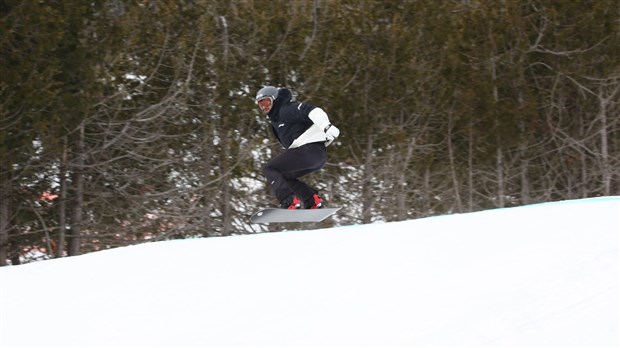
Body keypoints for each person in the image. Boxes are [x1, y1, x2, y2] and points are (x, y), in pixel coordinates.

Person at [255, 86, 340, 209]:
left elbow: (313, 111)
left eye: (266, 102)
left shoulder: (286, 110)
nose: (264, 107)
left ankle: (288, 202)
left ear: (274, 99)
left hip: (309, 151)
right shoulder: (277, 120)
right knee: (282, 176)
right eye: (260, 105)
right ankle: (312, 201)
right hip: (317, 157)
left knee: (269, 168)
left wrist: (326, 126)